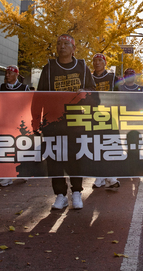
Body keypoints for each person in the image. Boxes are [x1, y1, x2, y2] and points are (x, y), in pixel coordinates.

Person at [34, 34, 96, 210]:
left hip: (76, 119)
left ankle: (76, 192)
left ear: (74, 48)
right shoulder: (49, 68)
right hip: (53, 120)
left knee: (76, 156)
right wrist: (36, 119)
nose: (62, 47)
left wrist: (85, 91)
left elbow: (93, 90)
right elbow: (39, 96)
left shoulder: (83, 67)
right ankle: (60, 195)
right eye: (59, 44)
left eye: (66, 44)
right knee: (54, 158)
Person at [0, 65, 30, 186]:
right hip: (4, 123)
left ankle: (24, 171)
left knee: (20, 147)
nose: (7, 75)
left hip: (20, 124)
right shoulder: (0, 88)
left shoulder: (24, 88)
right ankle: (7, 175)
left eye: (10, 73)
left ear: (16, 74)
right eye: (6, 73)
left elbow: (27, 105)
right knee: (6, 149)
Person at [91, 53, 121, 190]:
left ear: (105, 63)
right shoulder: (88, 78)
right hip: (92, 117)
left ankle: (109, 176)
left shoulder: (112, 77)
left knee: (110, 145)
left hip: (110, 116)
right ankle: (102, 176)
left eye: (100, 61)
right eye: (95, 61)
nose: (97, 63)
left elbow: (120, 96)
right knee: (96, 146)